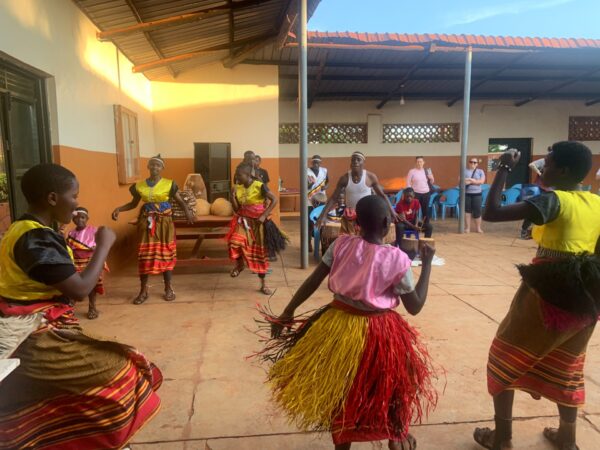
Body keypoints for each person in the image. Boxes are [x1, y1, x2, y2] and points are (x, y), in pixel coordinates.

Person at [0, 163, 162, 449]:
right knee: (123, 371)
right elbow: (79, 289)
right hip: (30, 336)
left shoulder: (21, 229)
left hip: (29, 327)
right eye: (73, 196)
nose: (76, 205)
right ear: (52, 198)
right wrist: (104, 245)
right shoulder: (35, 237)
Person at [258, 195, 437, 450]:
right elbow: (415, 306)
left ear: (357, 223)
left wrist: (289, 310)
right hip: (380, 332)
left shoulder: (341, 244)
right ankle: (395, 434)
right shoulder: (396, 259)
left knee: (344, 388)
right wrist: (427, 263)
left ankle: (343, 443)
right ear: (388, 222)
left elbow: (313, 280)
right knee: (393, 384)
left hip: (337, 326)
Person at [473, 142, 600, 450]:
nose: (544, 168)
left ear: (565, 171)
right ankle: (567, 438)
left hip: (546, 292)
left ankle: (502, 438)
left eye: (551, 163)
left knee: (505, 355)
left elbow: (491, 212)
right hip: (585, 296)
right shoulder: (596, 202)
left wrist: (503, 167)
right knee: (568, 364)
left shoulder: (553, 201)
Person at [112, 155, 194, 304]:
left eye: (158, 165)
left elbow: (180, 201)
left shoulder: (169, 184)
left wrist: (188, 213)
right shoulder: (139, 186)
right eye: (152, 165)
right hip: (146, 222)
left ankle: (168, 288)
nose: (155, 167)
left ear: (162, 168)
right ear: (148, 167)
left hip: (165, 223)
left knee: (165, 253)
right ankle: (143, 291)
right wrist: (119, 209)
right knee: (145, 255)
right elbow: (133, 203)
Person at [228, 163, 286, 295]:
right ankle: (240, 264)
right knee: (234, 242)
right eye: (236, 175)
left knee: (259, 254)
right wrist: (232, 198)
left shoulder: (259, 186)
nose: (237, 177)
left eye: (239, 175)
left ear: (248, 175)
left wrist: (264, 215)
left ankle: (263, 284)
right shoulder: (237, 188)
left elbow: (274, 199)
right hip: (243, 222)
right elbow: (237, 209)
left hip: (258, 224)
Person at [317, 151, 398, 234]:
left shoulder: (370, 177)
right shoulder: (344, 178)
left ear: (363, 163)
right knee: (349, 242)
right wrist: (323, 215)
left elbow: (382, 196)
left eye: (358, 160)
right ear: (350, 164)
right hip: (350, 216)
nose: (355, 161)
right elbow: (334, 198)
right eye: (353, 160)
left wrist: (392, 211)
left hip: (366, 216)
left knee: (365, 242)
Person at [66, 206, 108, 320]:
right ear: (73, 219)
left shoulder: (94, 231)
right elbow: (68, 249)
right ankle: (69, 308)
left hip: (90, 262)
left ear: (87, 218)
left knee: (91, 286)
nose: (79, 220)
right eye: (76, 218)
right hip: (76, 263)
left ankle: (92, 307)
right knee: (74, 285)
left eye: (83, 218)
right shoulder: (71, 233)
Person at [407, 156, 435, 222]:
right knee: (414, 210)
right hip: (415, 193)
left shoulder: (427, 171)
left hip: (426, 193)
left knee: (425, 210)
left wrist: (431, 178)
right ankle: (413, 225)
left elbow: (432, 182)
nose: (419, 163)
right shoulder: (412, 171)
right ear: (416, 163)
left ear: (423, 162)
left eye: (421, 162)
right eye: (418, 162)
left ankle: (426, 226)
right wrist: (410, 193)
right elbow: (408, 183)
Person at [464, 157, 486, 233]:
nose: (473, 163)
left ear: (477, 164)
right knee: (467, 212)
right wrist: (475, 181)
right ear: (468, 163)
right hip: (467, 194)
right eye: (471, 162)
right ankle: (467, 228)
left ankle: (478, 228)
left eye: (475, 162)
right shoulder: (464, 171)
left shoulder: (480, 171)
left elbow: (482, 181)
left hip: (477, 194)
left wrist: (471, 180)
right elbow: (461, 181)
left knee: (477, 212)